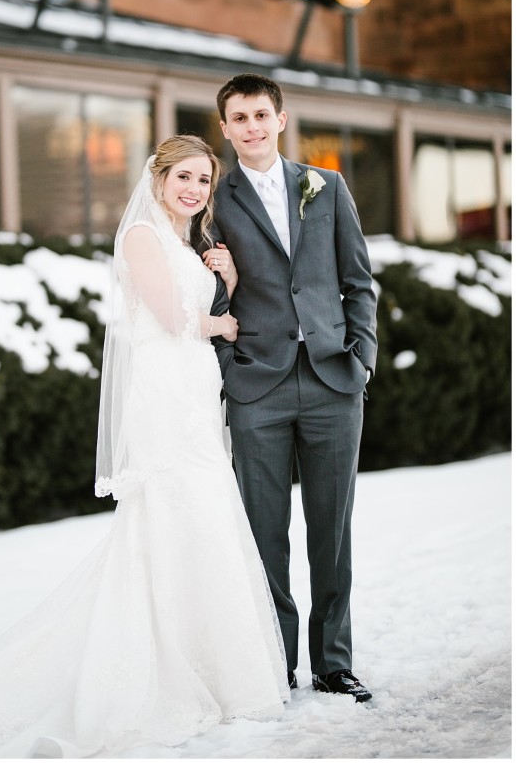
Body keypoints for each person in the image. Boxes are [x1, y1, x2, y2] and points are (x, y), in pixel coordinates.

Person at [0, 135, 289, 760]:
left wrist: (224, 274)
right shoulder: (144, 236)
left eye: (204, 181)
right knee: (172, 514)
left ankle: (215, 667)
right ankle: (152, 667)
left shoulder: (187, 244)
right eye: (185, 178)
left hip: (195, 395)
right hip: (163, 396)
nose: (196, 190)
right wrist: (222, 321)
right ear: (160, 177)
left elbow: (193, 305)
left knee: (202, 518)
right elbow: (172, 320)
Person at [202, 74, 377, 704]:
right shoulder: (213, 201)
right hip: (257, 385)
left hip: (333, 379)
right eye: (238, 117)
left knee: (332, 530)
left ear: (281, 119)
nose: (250, 126)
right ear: (224, 129)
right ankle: (273, 662)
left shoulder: (326, 187)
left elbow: (359, 280)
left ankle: (334, 663)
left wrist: (362, 359)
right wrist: (229, 366)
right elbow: (208, 293)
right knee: (263, 533)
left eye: (260, 114)